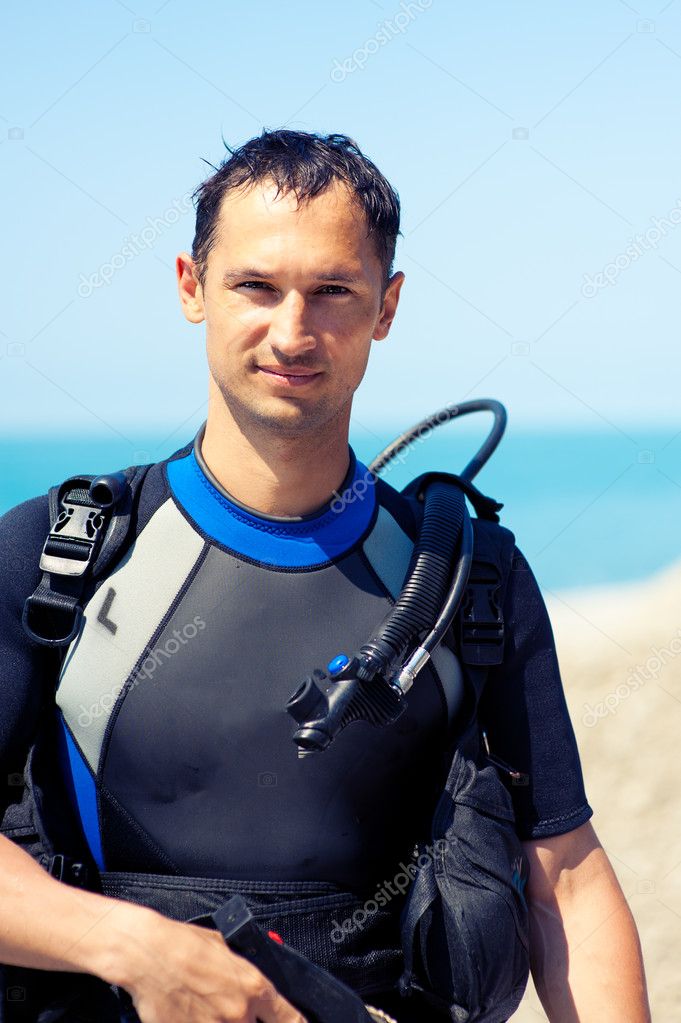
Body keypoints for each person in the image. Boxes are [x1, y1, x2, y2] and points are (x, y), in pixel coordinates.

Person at [0, 129, 650, 1023]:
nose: (293, 331)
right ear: (192, 288)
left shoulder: (466, 580)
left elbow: (564, 881)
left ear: (386, 305)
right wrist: (139, 947)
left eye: (333, 291)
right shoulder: (56, 558)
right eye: (255, 286)